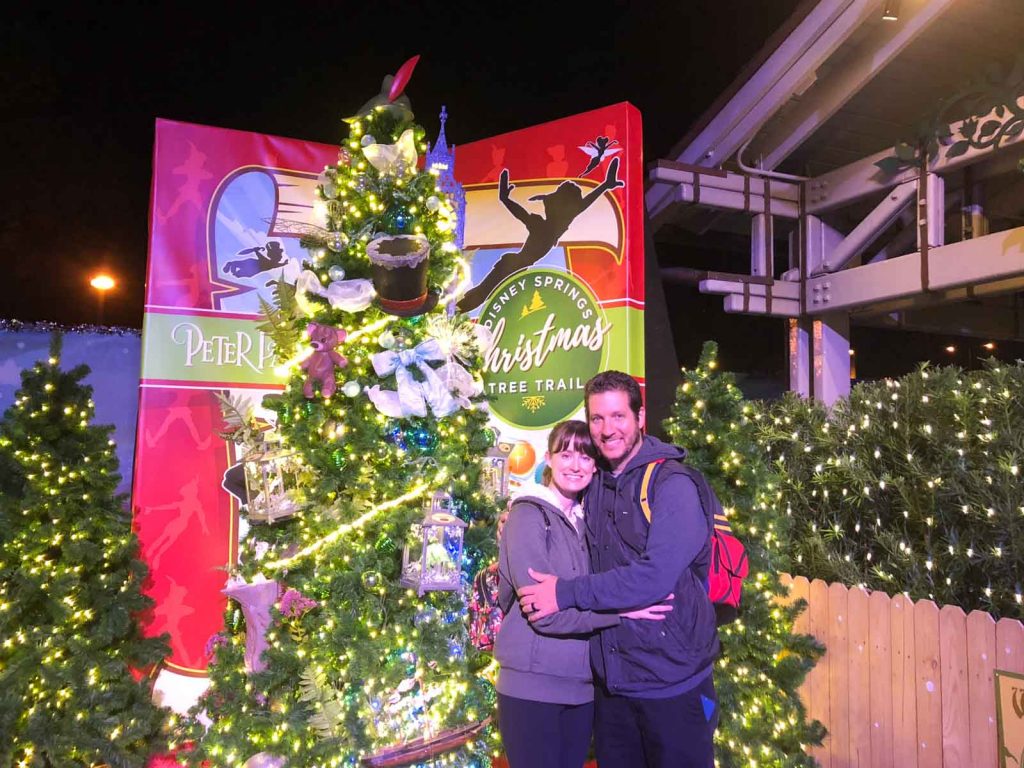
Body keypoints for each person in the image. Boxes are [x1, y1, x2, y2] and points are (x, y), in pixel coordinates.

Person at [517, 371, 719, 768]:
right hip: (613, 686)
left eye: (618, 417)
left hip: (671, 683)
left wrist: (564, 592)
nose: (607, 430)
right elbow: (560, 514)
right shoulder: (596, 482)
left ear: (640, 418)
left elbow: (654, 577)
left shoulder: (671, 484)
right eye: (597, 419)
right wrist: (518, 514)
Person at [495, 419, 672, 768]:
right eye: (566, 454)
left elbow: (599, 588)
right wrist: (620, 615)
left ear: (595, 465)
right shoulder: (528, 516)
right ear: (548, 459)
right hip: (532, 687)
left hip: (582, 688)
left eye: (586, 457)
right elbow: (544, 612)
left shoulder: (586, 522)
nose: (575, 465)